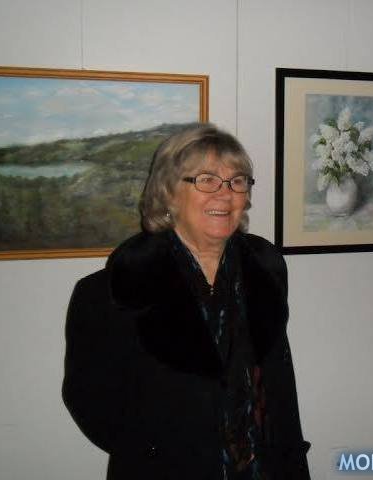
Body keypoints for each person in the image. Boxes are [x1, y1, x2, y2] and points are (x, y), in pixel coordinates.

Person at [62, 124, 311, 480]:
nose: (225, 194)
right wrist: (154, 452)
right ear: (168, 193)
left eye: (237, 181)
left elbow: (278, 387)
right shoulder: (105, 293)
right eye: (206, 180)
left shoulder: (266, 271)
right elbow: (89, 400)